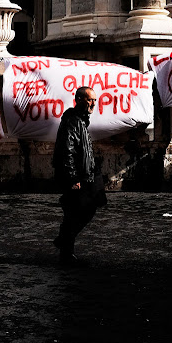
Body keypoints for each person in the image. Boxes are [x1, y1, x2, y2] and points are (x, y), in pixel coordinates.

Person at [52, 86, 106, 265]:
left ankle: (64, 243)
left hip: (85, 175)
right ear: (79, 99)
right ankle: (65, 247)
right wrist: (73, 178)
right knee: (79, 211)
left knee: (80, 210)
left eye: (95, 100)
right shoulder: (73, 121)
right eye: (90, 100)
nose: (93, 104)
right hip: (76, 177)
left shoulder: (81, 120)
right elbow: (67, 151)